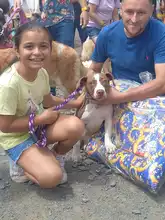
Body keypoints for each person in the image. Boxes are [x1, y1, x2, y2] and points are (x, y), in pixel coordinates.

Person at [0, 21, 84, 188]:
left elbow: (48, 101)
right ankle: (19, 168)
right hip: (16, 137)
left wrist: (75, 103)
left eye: (43, 46)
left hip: (37, 127)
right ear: (17, 50)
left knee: (77, 126)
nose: (37, 52)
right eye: (29, 47)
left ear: (50, 49)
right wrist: (40, 119)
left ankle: (53, 155)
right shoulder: (8, 84)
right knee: (53, 178)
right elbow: (5, 126)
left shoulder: (42, 73)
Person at [89, 0, 165, 104]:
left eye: (141, 13)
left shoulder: (161, 33)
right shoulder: (107, 34)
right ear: (120, 9)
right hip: (117, 91)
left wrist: (120, 97)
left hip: (152, 94)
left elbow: (162, 83)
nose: (134, 19)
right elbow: (93, 69)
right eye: (129, 12)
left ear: (151, 10)